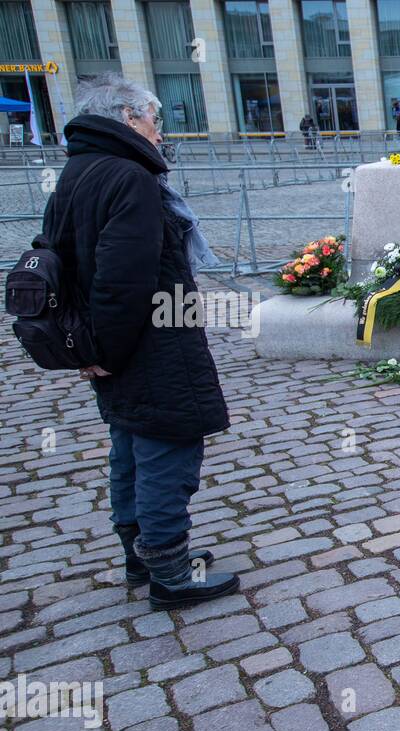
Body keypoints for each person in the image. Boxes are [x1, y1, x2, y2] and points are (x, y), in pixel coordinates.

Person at [54, 75, 237, 608]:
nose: (158, 133)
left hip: (115, 341)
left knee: (131, 447)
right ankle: (171, 571)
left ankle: (141, 557)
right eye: (153, 120)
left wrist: (88, 348)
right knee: (167, 448)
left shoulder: (81, 168)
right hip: (151, 342)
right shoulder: (129, 176)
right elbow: (122, 279)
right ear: (129, 118)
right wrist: (103, 351)